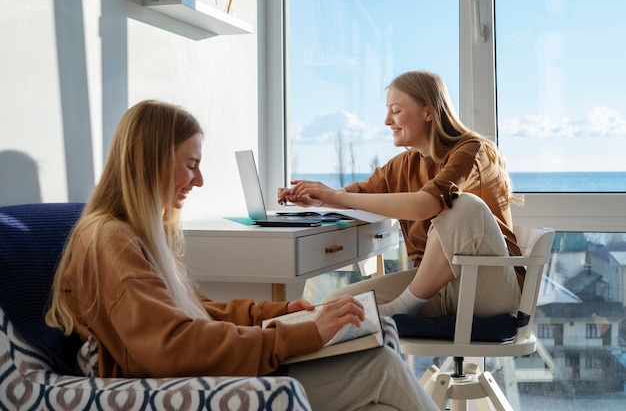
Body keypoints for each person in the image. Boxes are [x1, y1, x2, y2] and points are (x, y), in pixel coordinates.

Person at [45, 100, 438, 411]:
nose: (199, 180)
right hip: (179, 388)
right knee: (382, 369)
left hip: (201, 370)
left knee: (380, 389)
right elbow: (173, 345)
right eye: (191, 166)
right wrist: (304, 332)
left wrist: (275, 313)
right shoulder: (111, 241)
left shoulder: (137, 235)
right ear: (151, 160)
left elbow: (196, 312)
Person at [278, 70, 525, 319]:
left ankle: (402, 307)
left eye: (395, 111)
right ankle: (391, 339)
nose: (387, 121)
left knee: (462, 205)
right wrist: (320, 199)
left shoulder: (471, 151)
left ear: (428, 112)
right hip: (435, 289)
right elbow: (356, 196)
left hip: (488, 286)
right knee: (336, 306)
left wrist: (335, 197)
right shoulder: (404, 164)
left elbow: (425, 205)